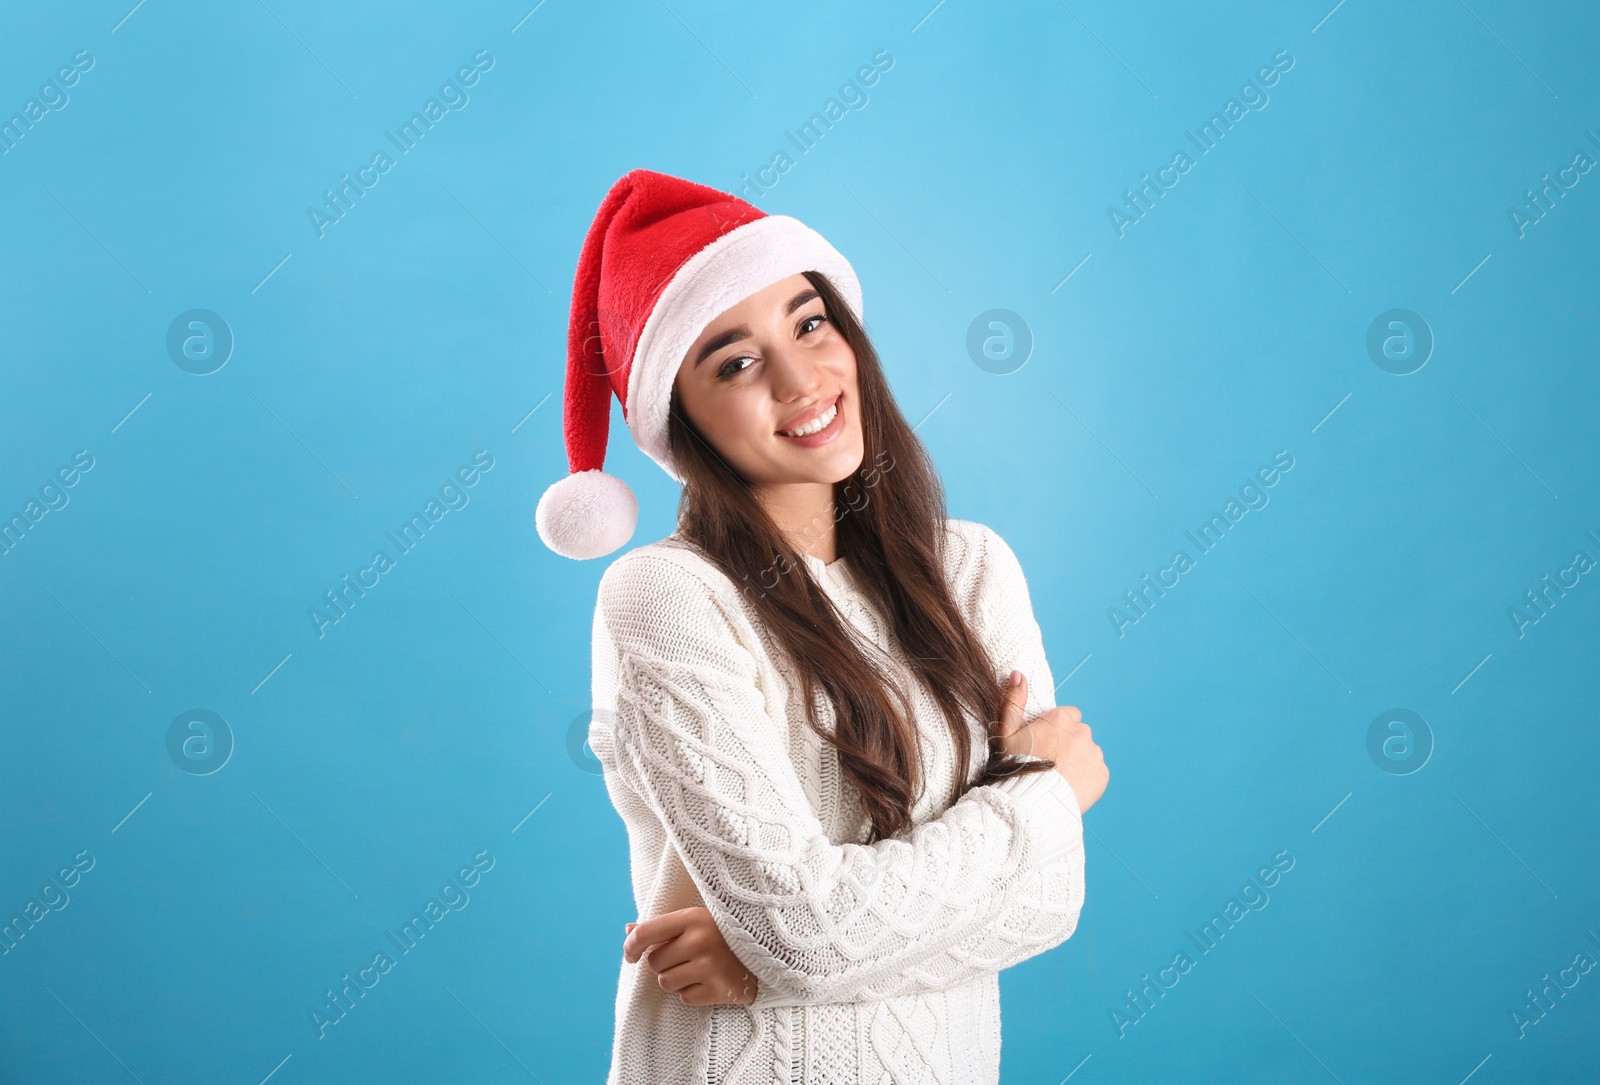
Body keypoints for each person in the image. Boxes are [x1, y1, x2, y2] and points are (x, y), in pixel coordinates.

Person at [535, 169, 1109, 1085]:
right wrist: (1043, 796)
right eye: (734, 361)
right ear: (679, 418)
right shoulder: (670, 596)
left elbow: (1048, 899)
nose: (803, 379)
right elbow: (804, 931)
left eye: (810, 322)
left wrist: (762, 963)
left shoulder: (972, 570)